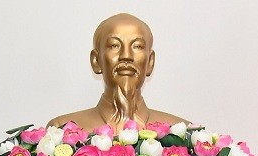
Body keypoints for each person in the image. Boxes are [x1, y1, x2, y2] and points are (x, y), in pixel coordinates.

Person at [49, 13, 186, 132]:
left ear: (150, 62)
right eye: (114, 45)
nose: (126, 55)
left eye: (137, 46)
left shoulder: (182, 133)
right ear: (96, 61)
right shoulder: (61, 130)